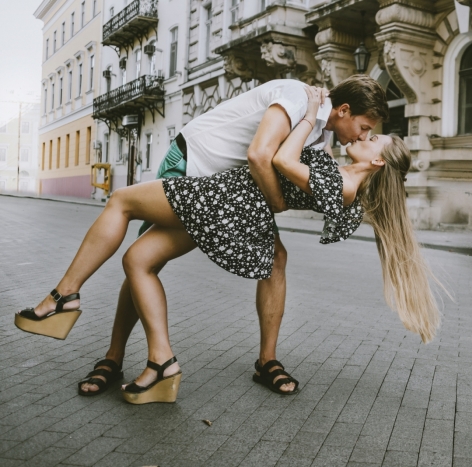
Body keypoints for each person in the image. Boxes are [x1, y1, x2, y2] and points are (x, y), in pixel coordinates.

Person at [16, 86, 442, 404]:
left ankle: (67, 298)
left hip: (224, 193)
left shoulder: (328, 150)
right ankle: (138, 357)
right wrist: (309, 117)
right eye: (365, 128)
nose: (359, 137)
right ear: (345, 111)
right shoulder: (300, 102)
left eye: (368, 136)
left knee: (128, 216)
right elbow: (272, 160)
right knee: (139, 258)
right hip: (198, 167)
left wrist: (309, 122)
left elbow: (271, 162)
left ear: (377, 160)